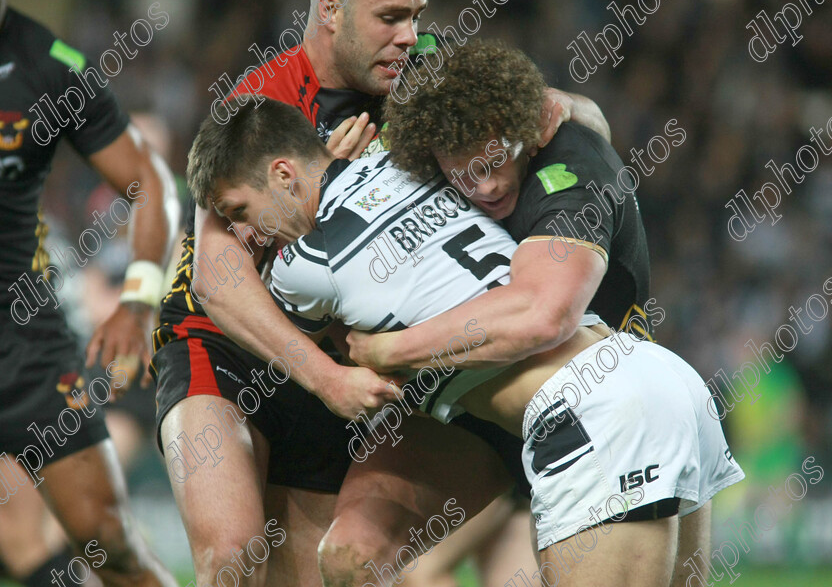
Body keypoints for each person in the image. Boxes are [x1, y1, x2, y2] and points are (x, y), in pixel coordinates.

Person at [189, 50, 743, 587]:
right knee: (351, 556)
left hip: (588, 412)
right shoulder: (408, 164)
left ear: (285, 174)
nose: (246, 236)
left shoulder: (307, 265)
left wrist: (376, 354)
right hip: (653, 374)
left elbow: (243, 307)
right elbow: (575, 117)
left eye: (239, 212)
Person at [153, 0, 610, 584]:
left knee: (326, 570)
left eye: (416, 15)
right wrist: (327, 379)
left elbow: (591, 122)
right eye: (390, 18)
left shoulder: (432, 73)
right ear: (331, 12)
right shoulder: (267, 101)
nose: (409, 34)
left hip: (335, 349)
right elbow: (216, 277)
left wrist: (556, 105)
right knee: (233, 556)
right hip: (225, 344)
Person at [0, 0, 179, 586]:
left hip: (27, 348)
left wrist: (138, 299)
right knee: (22, 548)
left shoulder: (49, 64)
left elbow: (151, 182)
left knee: (108, 540)